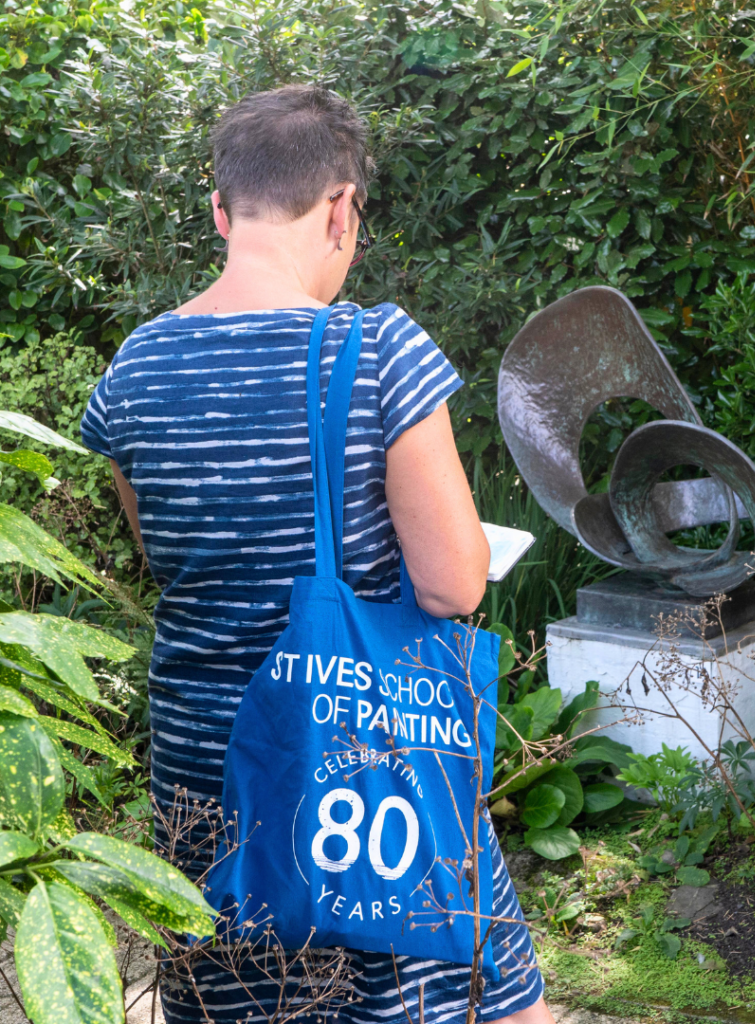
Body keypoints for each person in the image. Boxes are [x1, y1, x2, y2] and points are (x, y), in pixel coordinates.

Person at [80, 84, 552, 1024]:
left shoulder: (132, 369)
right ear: (341, 209)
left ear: (221, 211)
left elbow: (163, 554)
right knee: (475, 997)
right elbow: (453, 583)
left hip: (204, 776)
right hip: (361, 752)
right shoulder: (376, 349)